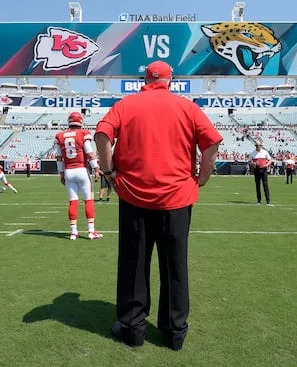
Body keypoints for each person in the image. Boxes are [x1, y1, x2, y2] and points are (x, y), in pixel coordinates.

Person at [95, 60, 222, 351]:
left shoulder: (126, 105)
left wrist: (109, 171)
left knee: (133, 264)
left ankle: (132, 328)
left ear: (144, 79)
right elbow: (212, 143)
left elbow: (102, 135)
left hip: (134, 198)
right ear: (171, 80)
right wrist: (202, 177)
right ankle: (174, 332)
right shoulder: (187, 107)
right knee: (175, 265)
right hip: (177, 198)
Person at [53, 111, 103, 240]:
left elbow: (58, 157)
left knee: (73, 202)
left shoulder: (60, 135)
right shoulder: (83, 133)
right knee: (88, 200)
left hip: (69, 171)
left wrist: (61, 173)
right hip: (81, 170)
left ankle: (73, 232)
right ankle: (91, 231)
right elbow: (89, 153)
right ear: (80, 121)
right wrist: (96, 168)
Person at [250, 140, 272, 205]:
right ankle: (259, 201)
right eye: (256, 145)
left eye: (258, 145)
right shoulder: (252, 153)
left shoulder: (265, 152)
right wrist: (252, 163)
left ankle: (268, 201)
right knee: (257, 186)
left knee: (265, 185)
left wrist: (266, 165)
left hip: (264, 169)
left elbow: (270, 160)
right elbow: (249, 161)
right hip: (256, 170)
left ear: (261, 145)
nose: (257, 147)